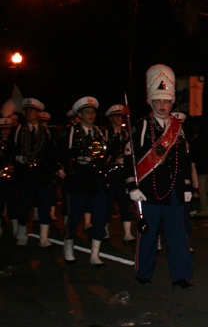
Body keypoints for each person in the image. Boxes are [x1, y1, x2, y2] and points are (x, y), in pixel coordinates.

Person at [124, 64, 194, 288]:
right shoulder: (143, 125)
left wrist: (187, 188)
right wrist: (131, 186)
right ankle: (143, 272)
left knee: (177, 235)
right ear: (151, 102)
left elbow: (183, 161)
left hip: (173, 190)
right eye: (158, 101)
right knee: (148, 234)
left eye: (166, 102)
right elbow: (130, 158)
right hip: (149, 190)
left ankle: (180, 275)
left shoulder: (177, 127)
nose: (163, 106)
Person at [58, 97, 109, 266]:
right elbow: (63, 153)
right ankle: (68, 246)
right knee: (73, 217)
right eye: (87, 112)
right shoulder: (71, 131)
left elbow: (105, 153)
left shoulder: (100, 131)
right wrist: (75, 160)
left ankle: (95, 253)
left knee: (100, 217)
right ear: (79, 115)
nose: (91, 115)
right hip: (77, 180)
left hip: (96, 180)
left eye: (93, 112)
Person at [12, 98, 58, 247]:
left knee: (44, 206)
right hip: (25, 175)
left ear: (38, 113)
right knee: (24, 206)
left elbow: (52, 152)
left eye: (33, 111)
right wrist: (17, 158)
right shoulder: (18, 130)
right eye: (27, 111)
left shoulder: (46, 131)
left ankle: (43, 237)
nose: (30, 113)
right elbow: (10, 150)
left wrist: (54, 169)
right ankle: (21, 234)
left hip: (43, 175)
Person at [104, 104, 135, 243]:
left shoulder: (126, 133)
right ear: (110, 118)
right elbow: (100, 153)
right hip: (109, 173)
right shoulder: (104, 133)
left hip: (122, 174)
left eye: (120, 116)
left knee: (124, 203)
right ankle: (104, 230)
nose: (119, 118)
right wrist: (113, 159)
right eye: (116, 116)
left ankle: (127, 233)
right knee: (107, 204)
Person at [0, 118, 15, 237]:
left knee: (13, 202)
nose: (6, 131)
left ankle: (16, 228)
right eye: (3, 129)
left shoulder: (12, 143)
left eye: (8, 129)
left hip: (12, 178)